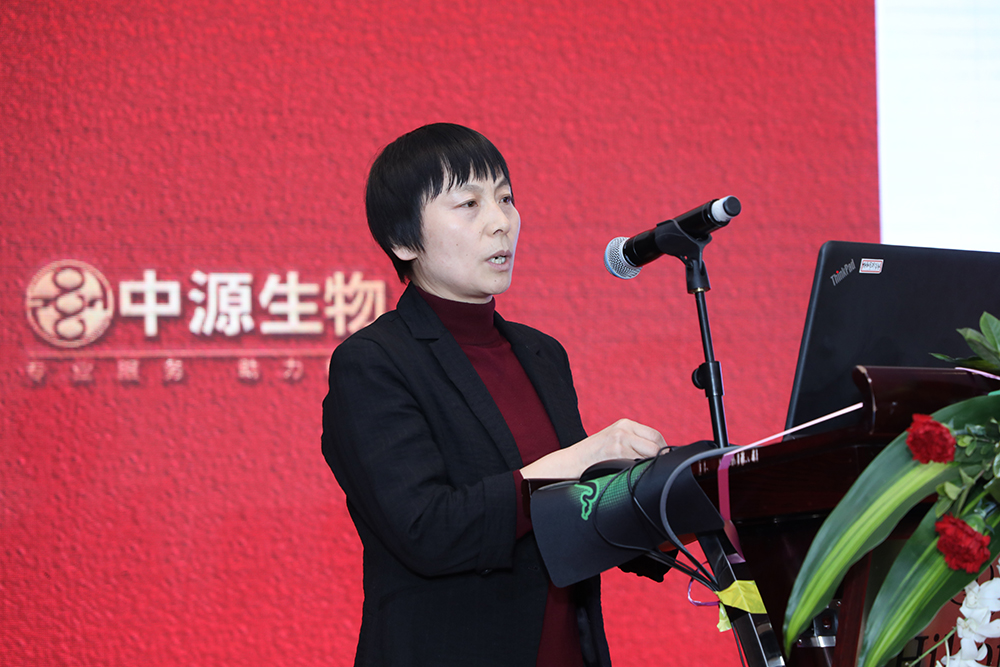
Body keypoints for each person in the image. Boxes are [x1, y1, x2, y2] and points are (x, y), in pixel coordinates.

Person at [322, 123, 667, 667]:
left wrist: (667, 495)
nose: (501, 221)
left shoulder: (541, 353)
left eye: (506, 198)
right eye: (469, 204)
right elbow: (427, 529)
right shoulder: (373, 363)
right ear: (403, 241)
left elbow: (573, 515)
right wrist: (582, 458)